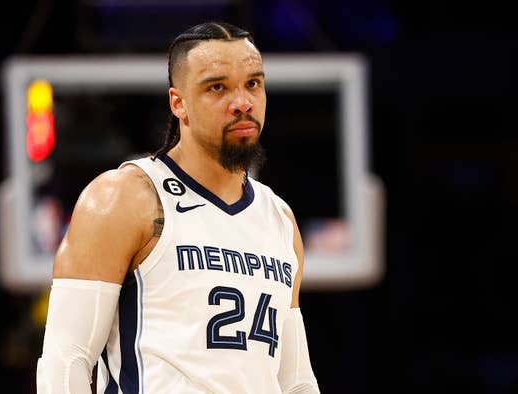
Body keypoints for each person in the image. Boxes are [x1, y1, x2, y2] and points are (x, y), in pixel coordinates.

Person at [36, 21, 320, 394]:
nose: (242, 102)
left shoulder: (280, 219)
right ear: (178, 103)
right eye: (217, 87)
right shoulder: (126, 197)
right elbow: (66, 360)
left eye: (253, 83)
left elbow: (296, 380)